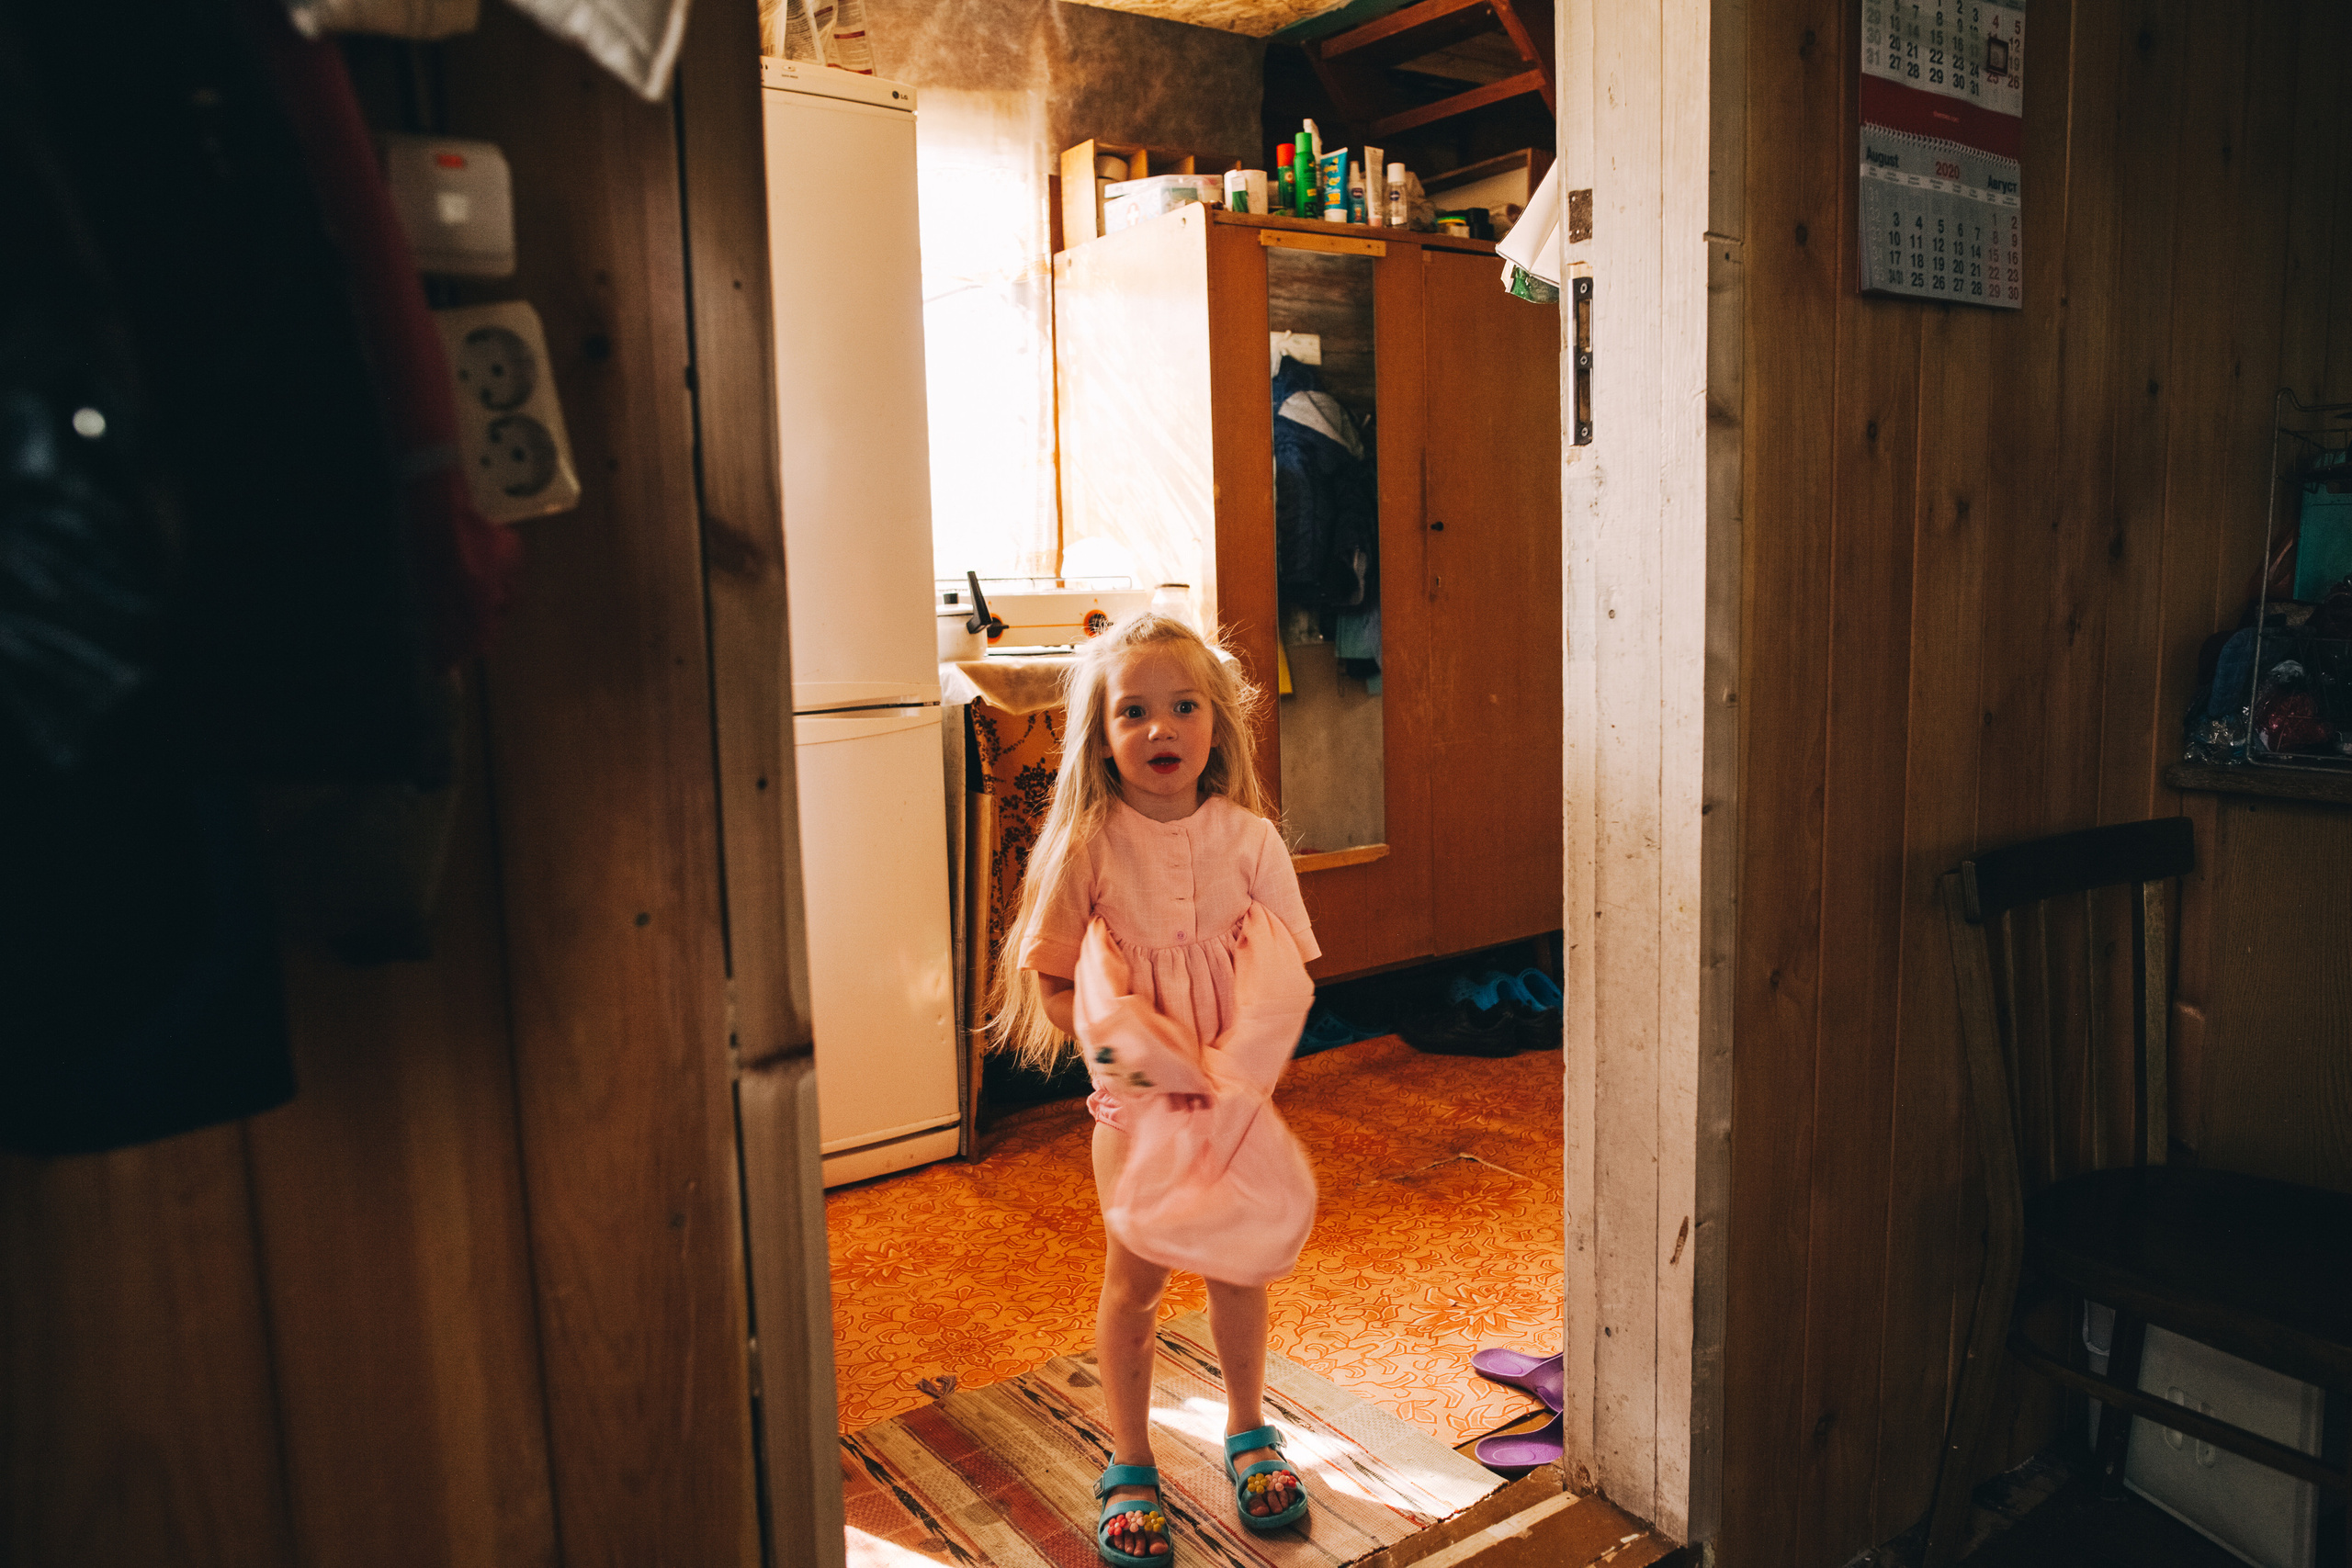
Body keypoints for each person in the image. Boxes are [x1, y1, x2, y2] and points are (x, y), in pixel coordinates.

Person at [992, 614, 1321, 1565]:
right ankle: (1129, 1460)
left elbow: (1284, 978)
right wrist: (1140, 1064)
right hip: (1136, 1113)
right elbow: (1057, 989)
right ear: (1100, 736)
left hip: (1232, 1109)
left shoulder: (1252, 841)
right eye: (1132, 712)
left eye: (1182, 707)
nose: (1159, 728)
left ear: (1216, 724)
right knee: (1133, 1283)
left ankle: (1249, 1428)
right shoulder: (1089, 847)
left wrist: (1239, 1086)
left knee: (1237, 1269)